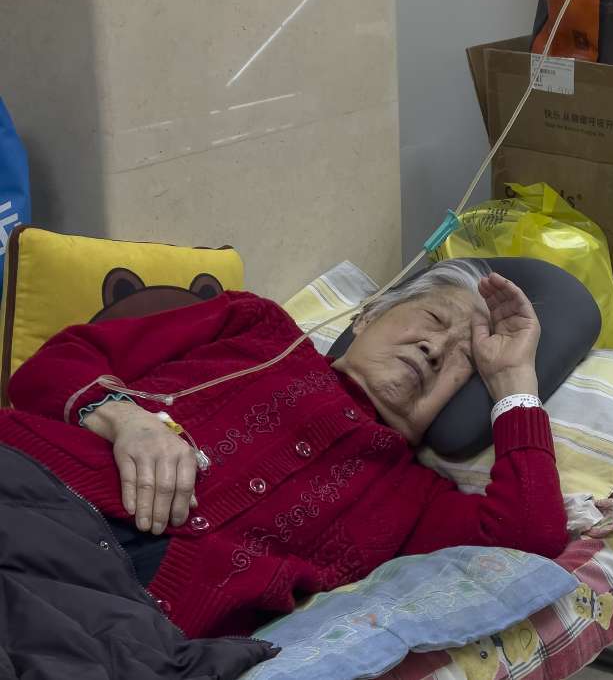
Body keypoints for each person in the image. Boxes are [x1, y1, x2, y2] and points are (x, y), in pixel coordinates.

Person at [0, 259, 568, 638]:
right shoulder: (257, 327)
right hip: (35, 488)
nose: (435, 348)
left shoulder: (413, 500)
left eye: (464, 359)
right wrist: (126, 418)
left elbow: (529, 537)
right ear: (369, 313)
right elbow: (56, 365)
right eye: (433, 318)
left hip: (122, 614)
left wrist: (512, 380)